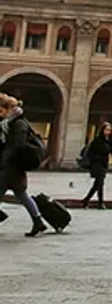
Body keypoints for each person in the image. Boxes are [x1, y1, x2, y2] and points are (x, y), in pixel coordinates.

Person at [0, 93, 47, 237]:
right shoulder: (7, 123)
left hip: (12, 166)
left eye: (0, 110)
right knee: (22, 195)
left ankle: (38, 222)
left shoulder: (19, 123)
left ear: (8, 109)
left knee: (20, 194)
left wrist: (5, 158)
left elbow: (18, 145)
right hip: (10, 166)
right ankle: (38, 222)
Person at [82, 121, 112, 208]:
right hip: (96, 164)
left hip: (104, 164)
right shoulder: (97, 140)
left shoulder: (110, 141)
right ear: (102, 130)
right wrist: (96, 160)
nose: (107, 132)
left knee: (99, 184)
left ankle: (88, 200)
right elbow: (90, 153)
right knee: (99, 183)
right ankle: (99, 202)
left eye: (109, 130)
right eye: (106, 130)